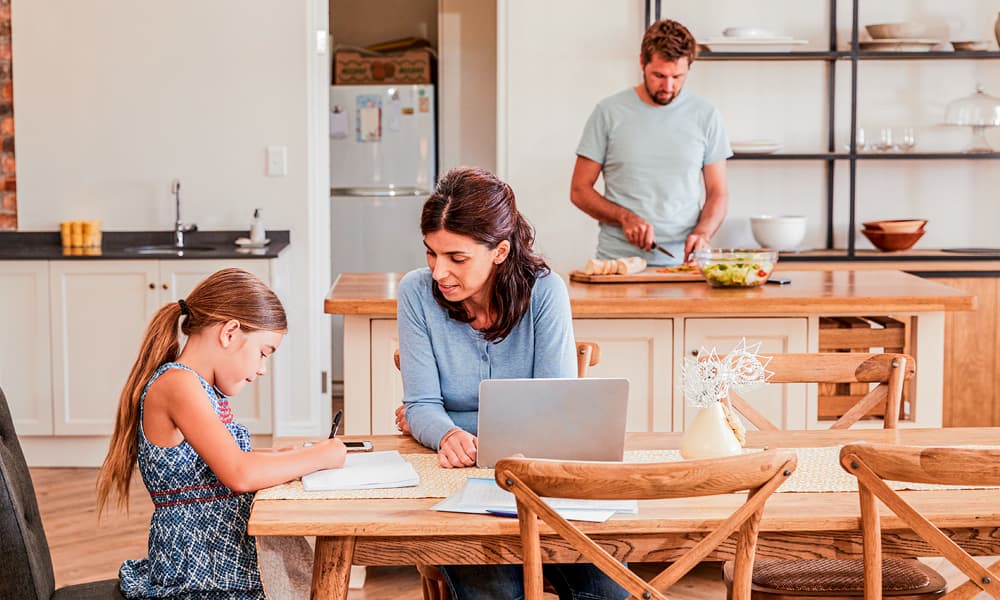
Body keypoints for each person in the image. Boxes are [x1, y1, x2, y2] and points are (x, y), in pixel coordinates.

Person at [394, 166, 628, 600]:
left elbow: (555, 408)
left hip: (544, 479)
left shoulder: (545, 291)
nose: (439, 272)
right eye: (431, 253)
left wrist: (446, 423)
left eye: (456, 258)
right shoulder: (414, 292)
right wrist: (444, 431)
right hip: (462, 481)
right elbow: (422, 404)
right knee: (496, 590)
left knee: (609, 591)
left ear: (499, 251)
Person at [96, 267, 346, 599]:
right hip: (201, 569)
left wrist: (283, 455)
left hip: (217, 556)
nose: (261, 369)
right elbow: (238, 474)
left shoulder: (199, 388)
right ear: (229, 333)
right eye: (263, 353)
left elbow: (215, 466)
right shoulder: (178, 385)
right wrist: (320, 455)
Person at [570, 18, 732, 265]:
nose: (668, 86)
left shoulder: (706, 115)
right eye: (659, 75)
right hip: (618, 263)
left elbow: (718, 192)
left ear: (689, 67)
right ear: (642, 62)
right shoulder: (608, 112)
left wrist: (703, 232)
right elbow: (579, 190)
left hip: (684, 264)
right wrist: (624, 217)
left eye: (678, 76)